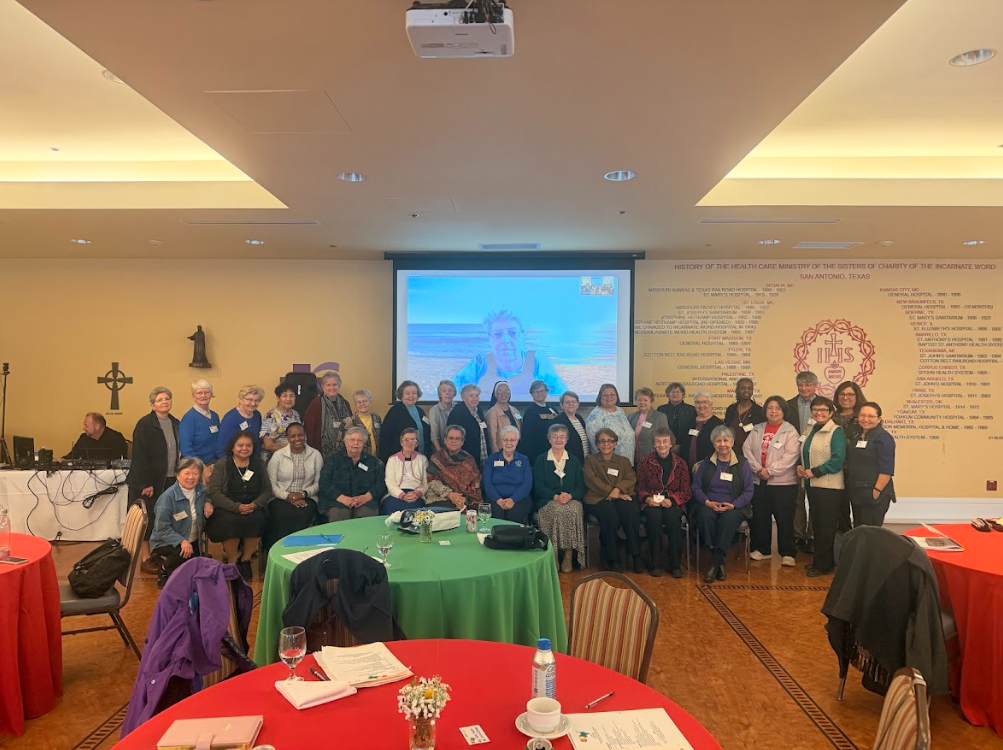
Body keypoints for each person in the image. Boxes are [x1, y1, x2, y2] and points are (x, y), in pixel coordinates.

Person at [452, 308, 569, 398]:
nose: (505, 340)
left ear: (523, 335)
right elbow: (449, 391)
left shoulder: (536, 361)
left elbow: (564, 397)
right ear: (490, 338)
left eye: (513, 333)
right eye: (498, 334)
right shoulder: (480, 363)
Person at [743, 396, 801, 567]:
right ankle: (763, 549)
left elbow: (791, 456)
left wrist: (770, 471)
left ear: (784, 411)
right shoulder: (757, 429)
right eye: (770, 408)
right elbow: (746, 450)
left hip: (783, 483)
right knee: (760, 515)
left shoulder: (790, 431)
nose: (773, 411)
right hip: (759, 480)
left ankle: (788, 552)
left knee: (784, 518)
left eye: (778, 408)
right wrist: (758, 470)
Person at [205, 431, 271, 581]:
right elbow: (215, 492)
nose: (244, 448)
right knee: (230, 521)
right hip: (227, 507)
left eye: (248, 445)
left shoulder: (259, 464)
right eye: (240, 445)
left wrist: (255, 504)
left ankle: (245, 559)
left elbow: (267, 490)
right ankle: (232, 560)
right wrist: (236, 507)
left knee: (259, 519)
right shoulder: (222, 464)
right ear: (233, 447)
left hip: (253, 506)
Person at [692, 426, 754, 583]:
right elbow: (696, 487)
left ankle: (715, 564)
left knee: (728, 519)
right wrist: (707, 502)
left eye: (726, 440)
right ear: (713, 444)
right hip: (709, 504)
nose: (722, 444)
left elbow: (748, 491)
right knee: (705, 516)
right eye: (718, 441)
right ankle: (719, 561)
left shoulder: (742, 464)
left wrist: (733, 505)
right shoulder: (706, 463)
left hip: (734, 506)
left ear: (732, 442)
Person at [128, 386, 181, 573]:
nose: (164, 402)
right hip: (149, 482)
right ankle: (145, 558)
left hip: (170, 480)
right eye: (160, 400)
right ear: (152, 405)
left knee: (164, 517)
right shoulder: (145, 424)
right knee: (148, 519)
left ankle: (158, 553)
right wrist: (145, 483)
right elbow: (139, 456)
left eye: (167, 398)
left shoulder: (176, 423)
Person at [797, 397, 846, 578]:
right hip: (812, 485)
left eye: (823, 410)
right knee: (816, 525)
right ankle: (819, 561)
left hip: (829, 487)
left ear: (831, 412)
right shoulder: (811, 429)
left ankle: (824, 565)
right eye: (815, 409)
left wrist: (814, 471)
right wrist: (801, 467)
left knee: (826, 528)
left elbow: (837, 460)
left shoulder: (836, 432)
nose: (819, 413)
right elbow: (806, 453)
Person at [583, 427, 641, 573]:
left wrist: (618, 490)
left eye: (610, 441)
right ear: (597, 444)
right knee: (610, 515)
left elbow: (631, 478)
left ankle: (635, 554)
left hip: (621, 495)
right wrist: (612, 491)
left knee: (630, 513)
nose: (606, 444)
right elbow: (591, 480)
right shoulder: (590, 460)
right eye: (602, 441)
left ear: (615, 443)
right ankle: (612, 558)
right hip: (597, 498)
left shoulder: (623, 461)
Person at [635, 427, 691, 578]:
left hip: (672, 502)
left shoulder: (681, 464)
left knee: (672, 519)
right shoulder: (645, 462)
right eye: (658, 442)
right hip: (651, 502)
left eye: (665, 441)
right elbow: (639, 487)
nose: (662, 445)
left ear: (671, 443)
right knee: (654, 518)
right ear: (653, 444)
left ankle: (675, 564)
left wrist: (672, 500)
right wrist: (647, 499)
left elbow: (686, 491)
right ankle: (656, 563)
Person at [533, 424, 586, 573]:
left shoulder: (574, 460)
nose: (558, 439)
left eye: (562, 436)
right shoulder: (541, 460)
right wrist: (555, 496)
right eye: (555, 436)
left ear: (567, 439)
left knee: (573, 510)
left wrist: (571, 496)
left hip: (571, 499)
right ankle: (553, 555)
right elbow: (538, 487)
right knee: (557, 511)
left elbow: (581, 487)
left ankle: (568, 556)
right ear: (549, 439)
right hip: (548, 499)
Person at [149, 457, 208, 588]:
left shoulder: (201, 490)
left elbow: (209, 498)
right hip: (166, 541)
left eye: (195, 473)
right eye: (187, 473)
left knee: (193, 570)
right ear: (177, 474)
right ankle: (164, 569)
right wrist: (181, 541)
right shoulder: (167, 498)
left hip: (192, 540)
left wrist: (209, 503)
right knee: (181, 572)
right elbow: (161, 528)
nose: (191, 477)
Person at [265, 422, 323, 547]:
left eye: (300, 435)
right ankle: (279, 548)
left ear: (305, 436)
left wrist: (302, 494)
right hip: (280, 497)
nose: (297, 439)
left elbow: (319, 483)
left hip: (307, 497)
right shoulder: (278, 456)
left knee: (302, 513)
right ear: (287, 438)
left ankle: (298, 549)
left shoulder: (315, 455)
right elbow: (271, 484)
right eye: (292, 436)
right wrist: (288, 496)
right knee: (282, 514)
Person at [318, 426, 386, 521]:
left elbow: (380, 484)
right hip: (336, 501)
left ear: (364, 443)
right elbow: (324, 483)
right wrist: (343, 499)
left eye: (360, 440)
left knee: (366, 517)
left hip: (366, 501)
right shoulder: (332, 460)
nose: (355, 443)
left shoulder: (374, 462)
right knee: (340, 515)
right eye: (352, 440)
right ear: (345, 442)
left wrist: (365, 498)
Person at [844, 402, 896, 528]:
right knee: (859, 529)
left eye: (871, 416)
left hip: (874, 492)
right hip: (858, 492)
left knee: (871, 532)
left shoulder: (883, 438)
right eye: (862, 415)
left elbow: (887, 469)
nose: (866, 419)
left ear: (879, 419)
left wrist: (877, 490)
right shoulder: (857, 435)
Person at [787, 371, 818, 554]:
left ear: (815, 386)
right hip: (794, 457)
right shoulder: (789, 405)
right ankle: (799, 535)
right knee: (797, 499)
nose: (804, 388)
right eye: (800, 384)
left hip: (817, 457)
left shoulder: (823, 404)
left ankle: (813, 535)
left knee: (814, 499)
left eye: (808, 384)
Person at [482, 425, 533, 522]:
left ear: (517, 441)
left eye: (512, 440)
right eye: (505, 440)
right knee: (496, 514)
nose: (509, 443)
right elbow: (487, 483)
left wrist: (513, 499)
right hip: (494, 499)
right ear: (501, 441)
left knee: (515, 513)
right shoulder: (492, 459)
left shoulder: (524, 460)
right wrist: (498, 499)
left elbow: (527, 484)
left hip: (519, 499)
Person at [832, 380, 864, 533]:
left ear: (857, 396)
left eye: (850, 394)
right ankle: (844, 541)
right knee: (839, 512)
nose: (846, 397)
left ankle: (860, 542)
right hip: (836, 471)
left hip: (857, 471)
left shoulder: (863, 417)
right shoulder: (831, 417)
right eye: (842, 394)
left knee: (860, 513)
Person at [425, 425, 483, 510]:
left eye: (457, 439)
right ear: (445, 440)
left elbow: (475, 482)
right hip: (440, 497)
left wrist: (462, 499)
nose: (454, 441)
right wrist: (450, 494)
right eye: (451, 438)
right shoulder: (436, 458)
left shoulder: (469, 459)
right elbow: (431, 480)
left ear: (462, 442)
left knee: (474, 509)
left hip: (464, 499)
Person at [378, 381, 431, 462]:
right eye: (407, 393)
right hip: (400, 459)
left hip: (420, 457)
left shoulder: (420, 411)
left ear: (418, 395)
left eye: (414, 393)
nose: (411, 396)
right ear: (401, 395)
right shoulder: (395, 411)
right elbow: (385, 437)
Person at [304, 372, 353, 457]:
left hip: (344, 452)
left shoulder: (345, 404)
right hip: (321, 453)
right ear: (322, 387)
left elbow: (352, 427)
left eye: (335, 385)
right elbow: (309, 430)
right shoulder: (316, 404)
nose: (332, 388)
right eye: (328, 385)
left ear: (339, 386)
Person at [382, 428, 429, 515]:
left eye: (413, 440)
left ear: (417, 443)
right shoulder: (392, 460)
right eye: (406, 440)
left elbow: (426, 483)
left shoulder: (423, 459)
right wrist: (402, 495)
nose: (409, 443)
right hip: (395, 494)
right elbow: (390, 482)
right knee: (390, 509)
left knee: (415, 512)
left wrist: (417, 493)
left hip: (415, 495)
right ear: (401, 442)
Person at [585, 384, 635, 464]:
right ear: (600, 397)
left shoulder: (620, 411)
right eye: (605, 395)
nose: (609, 397)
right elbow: (596, 445)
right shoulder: (595, 416)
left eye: (612, 394)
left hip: (627, 462)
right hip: (608, 464)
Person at [178, 379, 221, 467]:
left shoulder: (214, 416)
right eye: (199, 393)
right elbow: (186, 449)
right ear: (193, 396)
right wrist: (202, 467)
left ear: (211, 394)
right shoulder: (189, 418)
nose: (203, 395)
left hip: (215, 465)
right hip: (197, 467)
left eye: (207, 392)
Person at [679, 390, 723, 470]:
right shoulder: (689, 422)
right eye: (698, 402)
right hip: (687, 468)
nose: (701, 405)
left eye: (705, 402)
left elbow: (721, 449)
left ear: (710, 404)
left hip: (709, 468)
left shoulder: (718, 424)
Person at [446, 383, 490, 465]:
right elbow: (454, 440)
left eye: (477, 395)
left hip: (483, 456)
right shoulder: (457, 413)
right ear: (464, 397)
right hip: (465, 460)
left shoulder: (479, 410)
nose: (474, 398)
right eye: (471, 396)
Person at [518, 380, 559, 464]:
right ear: (532, 394)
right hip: (537, 455)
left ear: (546, 391)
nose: (539, 393)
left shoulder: (553, 410)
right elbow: (527, 438)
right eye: (536, 391)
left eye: (542, 391)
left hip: (554, 452)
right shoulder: (530, 412)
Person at [217, 385, 264, 458]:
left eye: (256, 400)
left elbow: (257, 442)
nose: (253, 403)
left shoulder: (257, 415)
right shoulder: (231, 418)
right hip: (234, 460)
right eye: (249, 400)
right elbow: (221, 449)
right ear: (241, 400)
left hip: (252, 459)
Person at [723, 378, 766, 455]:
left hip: (751, 453)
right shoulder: (731, 409)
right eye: (743, 388)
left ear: (752, 391)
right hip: (731, 452)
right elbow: (726, 430)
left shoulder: (759, 411)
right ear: (737, 390)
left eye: (749, 388)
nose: (746, 391)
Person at [260, 383, 301, 461]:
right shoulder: (271, 416)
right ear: (278, 398)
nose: (288, 399)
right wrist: (291, 449)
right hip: (275, 459)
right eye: (284, 396)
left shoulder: (296, 414)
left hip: (292, 458)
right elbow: (268, 445)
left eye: (291, 396)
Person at [627, 387, 669, 464]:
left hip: (652, 458)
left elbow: (666, 438)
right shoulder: (631, 416)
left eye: (645, 400)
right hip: (633, 457)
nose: (642, 402)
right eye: (639, 400)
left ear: (651, 401)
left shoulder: (660, 417)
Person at [484, 381, 522, 454]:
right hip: (502, 452)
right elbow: (492, 440)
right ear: (495, 395)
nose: (503, 394)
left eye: (506, 391)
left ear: (510, 393)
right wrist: (496, 456)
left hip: (516, 450)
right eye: (499, 392)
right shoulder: (491, 413)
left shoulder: (515, 410)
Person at [343, 389, 383, 456]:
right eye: (359, 402)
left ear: (371, 402)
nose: (362, 404)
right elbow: (343, 445)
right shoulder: (349, 422)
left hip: (376, 458)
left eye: (365, 401)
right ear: (355, 404)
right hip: (357, 458)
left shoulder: (377, 418)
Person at [658, 382, 697, 450]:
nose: (675, 394)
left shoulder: (691, 410)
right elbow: (658, 430)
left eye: (678, 392)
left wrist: (682, 445)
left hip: (686, 445)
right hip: (664, 446)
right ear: (668, 394)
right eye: (672, 392)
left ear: (683, 395)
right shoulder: (661, 409)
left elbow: (694, 429)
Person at [554, 390, 590, 463]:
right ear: (562, 405)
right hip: (570, 463)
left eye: (573, 401)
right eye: (567, 402)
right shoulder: (558, 421)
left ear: (578, 404)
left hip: (585, 461)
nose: (571, 404)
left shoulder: (579, 418)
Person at [429, 380, 456, 452]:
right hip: (440, 449)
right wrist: (441, 453)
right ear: (439, 394)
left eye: (450, 390)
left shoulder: (458, 407)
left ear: (454, 393)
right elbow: (434, 436)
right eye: (444, 391)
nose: (447, 393)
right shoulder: (434, 410)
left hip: (457, 450)